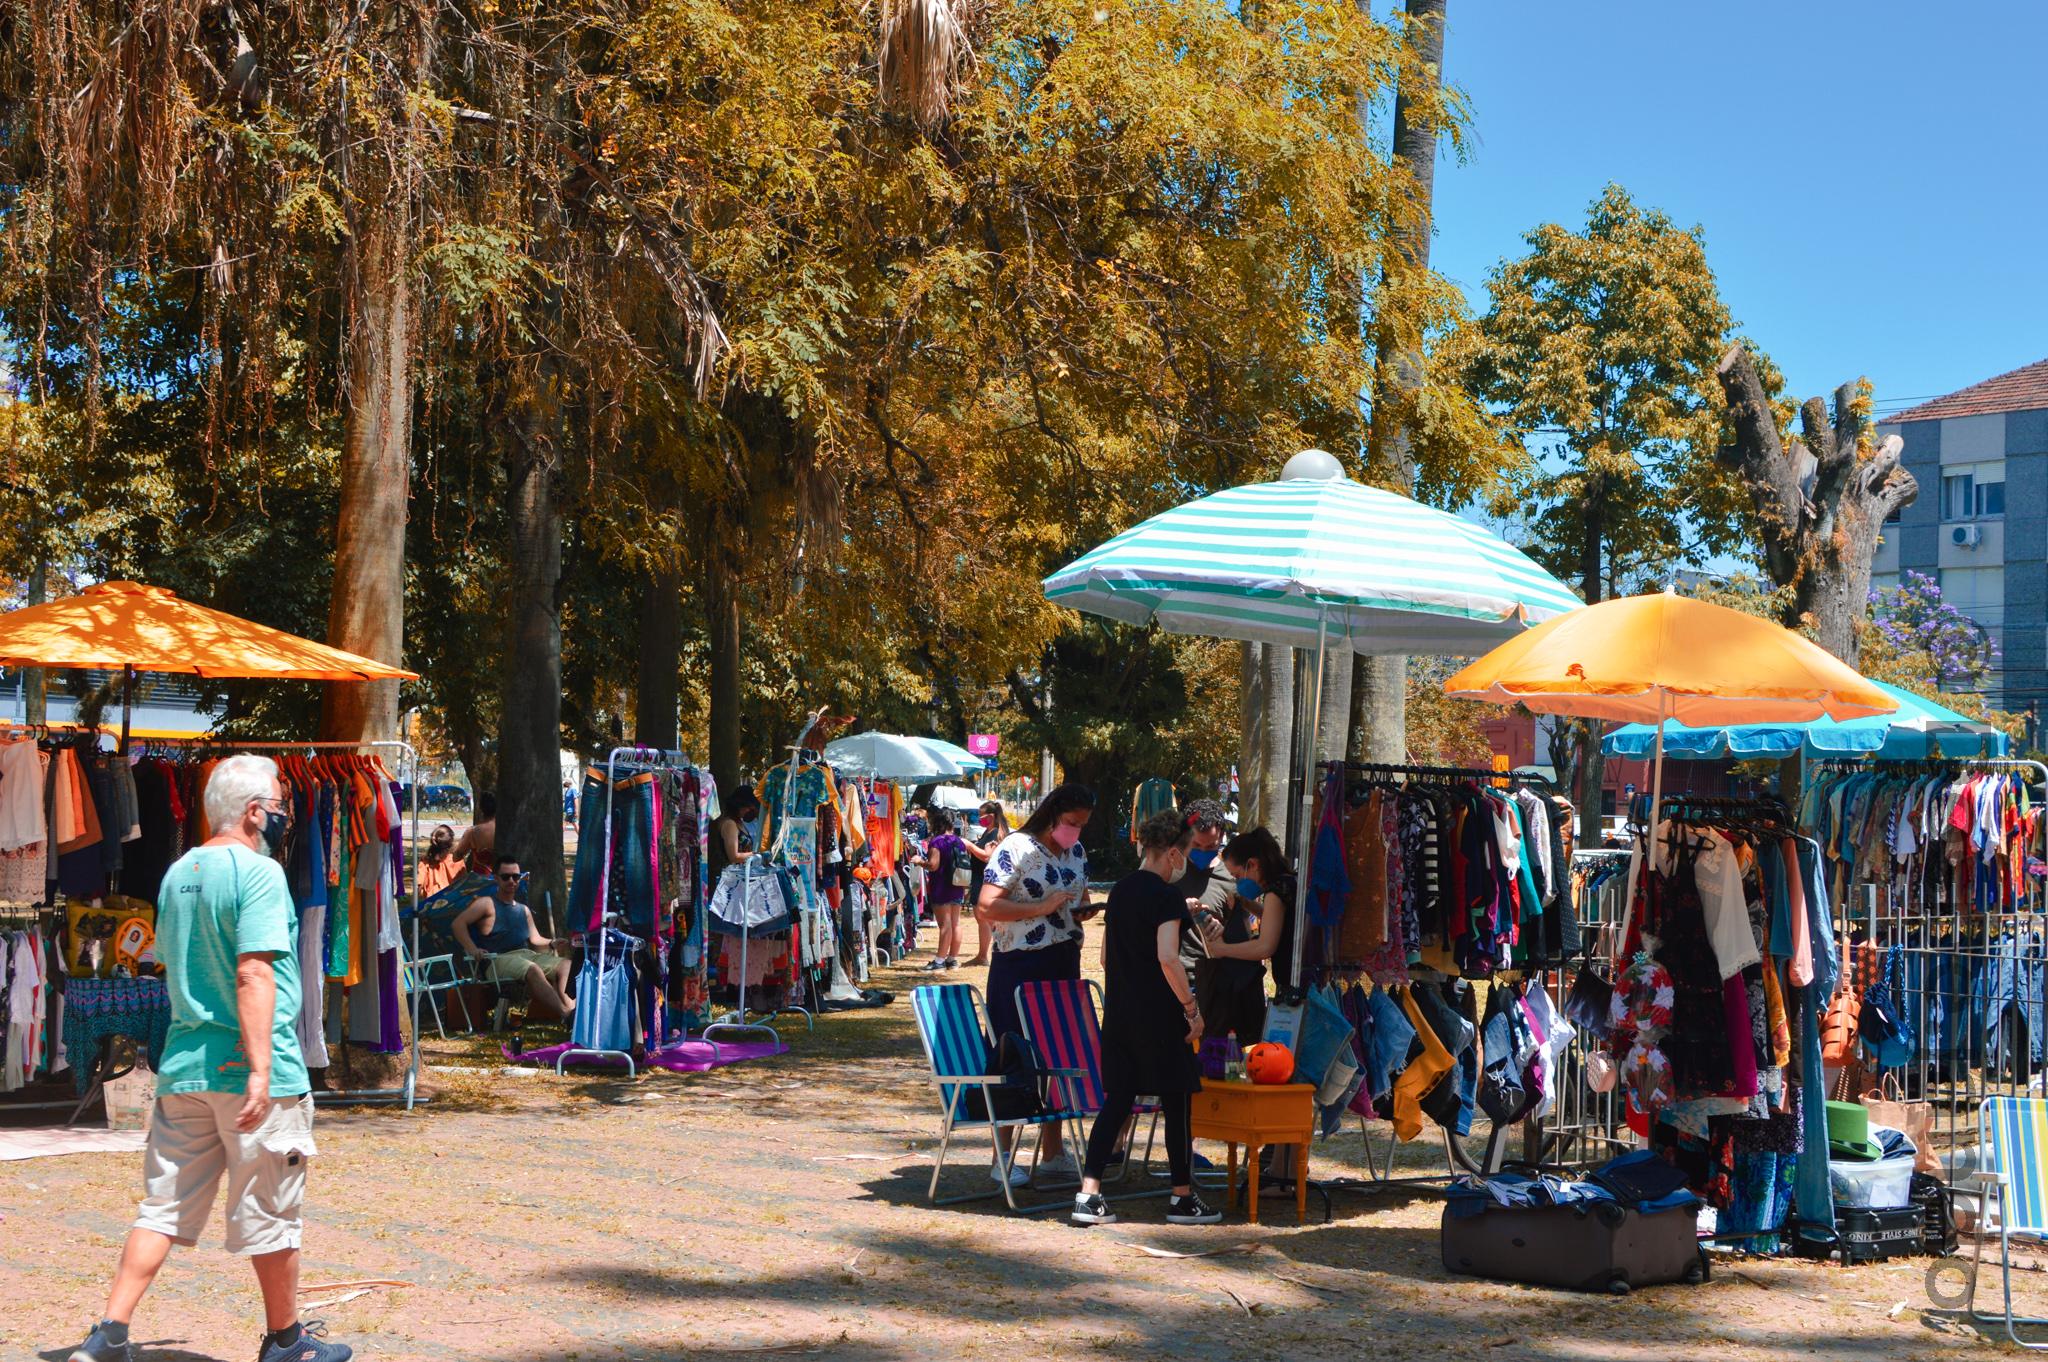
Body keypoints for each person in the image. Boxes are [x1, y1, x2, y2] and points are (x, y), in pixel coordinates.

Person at [65, 754, 353, 1362]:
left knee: (162, 1208)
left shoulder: (178, 873)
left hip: (185, 1066)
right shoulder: (259, 873)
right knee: (272, 1211)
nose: (283, 815)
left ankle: (109, 1331)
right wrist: (260, 1070)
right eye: (278, 805)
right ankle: (286, 1341)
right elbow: (253, 973)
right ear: (253, 812)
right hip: (252, 1069)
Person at [1071, 810, 1221, 1226]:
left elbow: (1105, 956)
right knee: (1177, 1099)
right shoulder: (1167, 896)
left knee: (1117, 1102)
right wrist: (1191, 1009)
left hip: (1121, 1013)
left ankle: (1088, 1194)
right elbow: (1168, 957)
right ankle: (1182, 1196)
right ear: (1172, 852)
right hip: (1160, 1015)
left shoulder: (1120, 890)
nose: (1185, 862)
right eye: (1185, 853)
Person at [977, 782, 1095, 1183]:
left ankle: (1053, 1151)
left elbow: (1078, 895)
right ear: (1053, 814)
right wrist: (1040, 907)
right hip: (1019, 965)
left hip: (1063, 960)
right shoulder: (1015, 847)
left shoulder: (1076, 852)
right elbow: (986, 905)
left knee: (1058, 1054)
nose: (1076, 831)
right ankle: (1002, 1156)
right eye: (1072, 822)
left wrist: (1081, 910)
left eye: (1082, 825)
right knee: (1013, 1056)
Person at [1198, 826, 1297, 1047]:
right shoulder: (1289, 881)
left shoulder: (1276, 891)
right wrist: (1247, 904)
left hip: (1293, 988)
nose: (1237, 882)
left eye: (1236, 876)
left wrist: (1222, 949)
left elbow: (1265, 947)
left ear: (1252, 864)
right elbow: (1278, 921)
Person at [451, 856, 575, 1019]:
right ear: (496, 878)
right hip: (496, 960)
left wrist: (552, 943)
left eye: (515, 877)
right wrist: (472, 949)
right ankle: (565, 1014)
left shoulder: (524, 910)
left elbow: (535, 939)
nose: (511, 881)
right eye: (505, 877)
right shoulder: (486, 904)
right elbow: (458, 924)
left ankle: (574, 1014)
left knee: (566, 965)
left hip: (526, 955)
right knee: (532, 969)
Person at [959, 800, 1009, 968]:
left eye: (982, 816)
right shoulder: (989, 832)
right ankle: (982, 955)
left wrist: (970, 846)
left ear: (992, 816)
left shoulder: (995, 834)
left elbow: (987, 856)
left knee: (986, 919)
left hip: (985, 879)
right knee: (982, 918)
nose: (980, 819)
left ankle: (987, 954)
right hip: (979, 877)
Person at [918, 810, 970, 971]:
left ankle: (939, 961)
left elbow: (933, 865)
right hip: (957, 885)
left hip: (941, 886)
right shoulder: (959, 841)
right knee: (955, 924)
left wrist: (919, 861)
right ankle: (952, 959)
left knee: (945, 925)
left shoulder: (937, 841)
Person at [708, 785, 761, 885]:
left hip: (739, 877)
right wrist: (757, 854)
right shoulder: (730, 824)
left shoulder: (739, 823)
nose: (749, 811)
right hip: (732, 879)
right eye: (748, 807)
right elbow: (734, 856)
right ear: (739, 806)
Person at [451, 791, 497, 875]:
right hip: (504, 877)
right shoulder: (505, 830)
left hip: (481, 877)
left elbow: (456, 857)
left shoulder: (472, 832)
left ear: (480, 809)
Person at [416, 824, 464, 900]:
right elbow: (463, 883)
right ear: (451, 841)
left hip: (431, 901)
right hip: (453, 900)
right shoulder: (457, 860)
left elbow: (419, 883)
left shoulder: (425, 860)